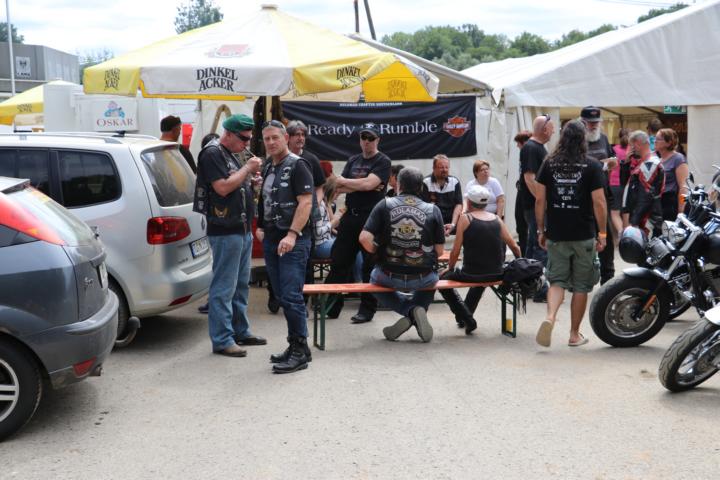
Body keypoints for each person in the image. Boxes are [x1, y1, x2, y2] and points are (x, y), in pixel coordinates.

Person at [192, 114, 266, 357]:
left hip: (240, 228)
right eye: (244, 138)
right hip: (225, 229)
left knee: (241, 284)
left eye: (249, 139)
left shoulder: (230, 153)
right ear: (229, 134)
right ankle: (222, 339)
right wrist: (247, 169)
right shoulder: (212, 153)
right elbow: (222, 187)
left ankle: (240, 331)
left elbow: (234, 183)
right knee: (224, 286)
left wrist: (251, 182)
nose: (247, 143)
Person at [534, 119, 607, 348]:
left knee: (557, 281)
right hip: (583, 233)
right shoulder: (592, 165)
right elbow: (599, 202)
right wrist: (603, 233)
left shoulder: (549, 163)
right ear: (583, 139)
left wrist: (541, 229)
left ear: (562, 138)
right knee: (581, 286)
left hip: (557, 233)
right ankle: (574, 335)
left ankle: (550, 317)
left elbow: (540, 200)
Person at [359, 166, 445, 343]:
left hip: (388, 275)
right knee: (432, 280)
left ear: (398, 185)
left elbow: (364, 238)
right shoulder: (433, 210)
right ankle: (416, 311)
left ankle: (409, 312)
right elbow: (440, 251)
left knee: (372, 281)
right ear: (420, 187)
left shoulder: (384, 204)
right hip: (423, 277)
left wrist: (377, 251)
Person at [256, 120, 315, 374]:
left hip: (293, 239)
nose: (271, 142)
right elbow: (267, 198)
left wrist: (292, 234)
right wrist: (260, 225)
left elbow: (306, 203)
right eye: (267, 139)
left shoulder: (298, 165)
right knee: (281, 295)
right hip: (272, 237)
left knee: (291, 296)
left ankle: (299, 351)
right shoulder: (269, 165)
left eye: (275, 138)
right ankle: (296, 345)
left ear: (285, 139)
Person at [324, 122, 391, 323]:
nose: (367, 141)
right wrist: (359, 185)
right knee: (339, 261)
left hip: (372, 219)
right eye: (364, 137)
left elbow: (368, 184)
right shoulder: (353, 160)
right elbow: (342, 188)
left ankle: (367, 310)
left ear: (378, 140)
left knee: (369, 266)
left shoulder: (383, 161)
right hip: (350, 217)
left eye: (371, 138)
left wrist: (347, 182)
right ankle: (331, 306)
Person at [439, 185, 521, 333]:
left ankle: (466, 318)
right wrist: (520, 263)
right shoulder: (497, 219)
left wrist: (449, 268)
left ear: (469, 202)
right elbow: (515, 247)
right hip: (497, 273)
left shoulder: (465, 218)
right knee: (480, 282)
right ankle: (464, 318)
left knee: (442, 278)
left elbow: (455, 251)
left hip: (471, 273)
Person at [520, 115, 555, 301]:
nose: (554, 131)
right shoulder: (531, 148)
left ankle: (527, 286)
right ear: (544, 129)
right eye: (552, 128)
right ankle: (540, 290)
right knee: (541, 245)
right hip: (535, 206)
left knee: (533, 245)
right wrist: (543, 202)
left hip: (536, 205)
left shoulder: (537, 147)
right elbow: (529, 178)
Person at [580, 106, 616, 285]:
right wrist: (598, 166)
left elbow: (611, 158)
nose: (594, 125)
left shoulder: (603, 138)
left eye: (597, 122)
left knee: (605, 233)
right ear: (582, 122)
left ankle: (607, 277)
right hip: (583, 196)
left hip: (602, 192)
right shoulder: (577, 140)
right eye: (590, 123)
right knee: (585, 235)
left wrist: (611, 164)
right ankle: (582, 276)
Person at [197, 132, 222, 316]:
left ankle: (212, 300)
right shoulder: (212, 159)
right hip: (215, 223)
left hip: (209, 221)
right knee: (217, 266)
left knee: (216, 264)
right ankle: (213, 300)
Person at [622, 131, 665, 236]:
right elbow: (626, 184)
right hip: (643, 218)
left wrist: (634, 222)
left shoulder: (649, 163)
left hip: (647, 220)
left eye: (632, 145)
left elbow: (645, 196)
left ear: (637, 144)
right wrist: (625, 163)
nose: (631, 149)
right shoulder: (644, 162)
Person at [422, 154, 463, 235]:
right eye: (441, 167)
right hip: (433, 222)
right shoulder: (425, 182)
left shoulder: (454, 181)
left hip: (452, 222)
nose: (444, 170)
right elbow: (425, 208)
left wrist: (453, 224)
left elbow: (458, 204)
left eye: (447, 167)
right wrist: (439, 227)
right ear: (434, 168)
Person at [656, 128, 689, 220]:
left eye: (658, 139)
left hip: (671, 204)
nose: (655, 141)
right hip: (658, 203)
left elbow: (684, 187)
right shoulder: (658, 160)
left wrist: (681, 209)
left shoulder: (678, 159)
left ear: (668, 143)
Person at [610, 128, 630, 245]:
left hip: (614, 184)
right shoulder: (632, 150)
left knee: (615, 213)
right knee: (626, 211)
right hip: (628, 184)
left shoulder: (613, 149)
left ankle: (620, 232)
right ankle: (627, 236)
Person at [514, 130, 532, 255]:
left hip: (529, 194)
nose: (517, 146)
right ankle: (523, 252)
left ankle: (528, 253)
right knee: (520, 223)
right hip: (521, 191)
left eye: (519, 143)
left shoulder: (531, 153)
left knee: (529, 223)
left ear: (524, 143)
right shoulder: (523, 154)